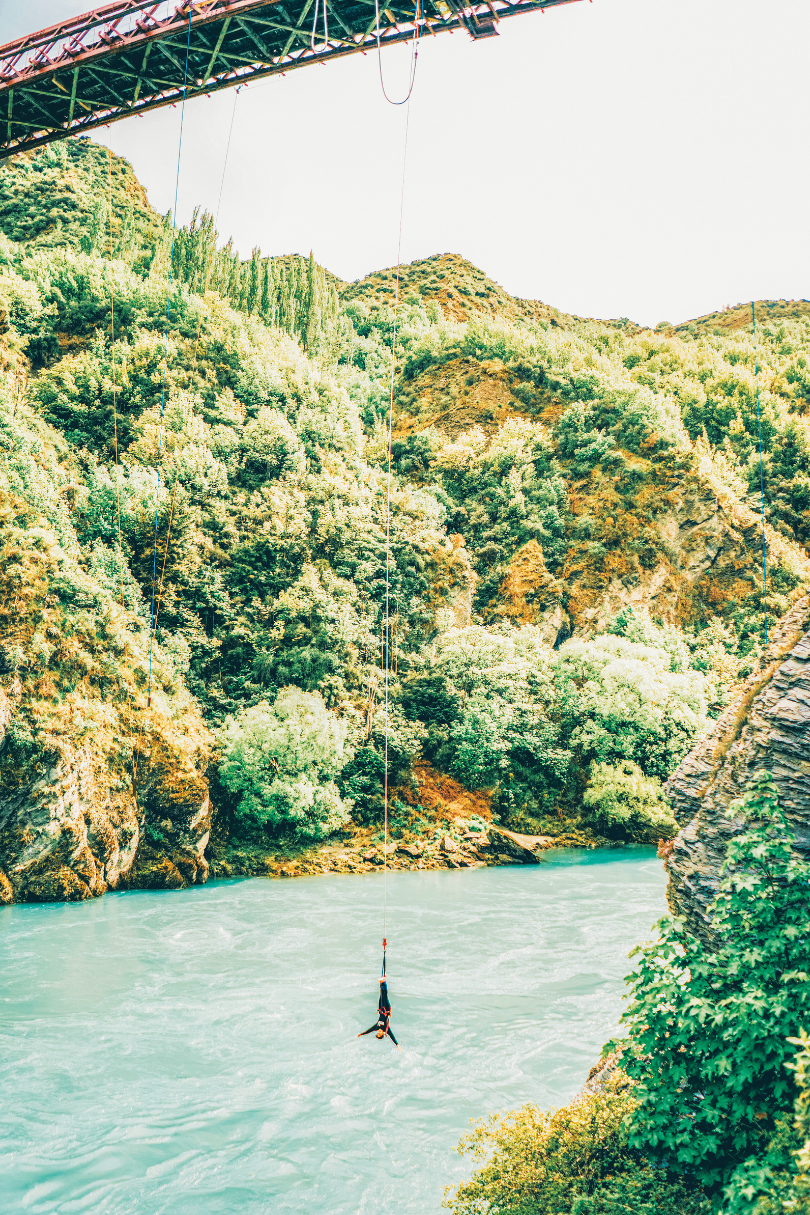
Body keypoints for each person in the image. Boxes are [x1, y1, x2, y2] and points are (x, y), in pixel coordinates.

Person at [358, 977, 400, 1049]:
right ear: (382, 1034)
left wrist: (361, 1034)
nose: (378, 1032)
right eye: (379, 1034)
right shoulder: (386, 1029)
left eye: (377, 1033)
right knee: (385, 996)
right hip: (386, 1009)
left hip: (380, 1009)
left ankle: (382, 982)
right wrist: (397, 1045)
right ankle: (384, 982)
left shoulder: (377, 1027)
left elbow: (369, 1030)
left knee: (381, 996)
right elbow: (392, 1036)